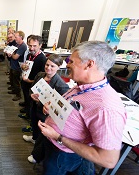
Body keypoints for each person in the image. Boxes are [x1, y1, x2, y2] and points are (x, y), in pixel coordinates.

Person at [38, 41, 127, 175]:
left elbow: (108, 160)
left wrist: (58, 137)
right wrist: (53, 108)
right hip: (53, 144)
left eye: (71, 61)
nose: (67, 64)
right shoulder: (83, 85)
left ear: (89, 64)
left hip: (64, 153)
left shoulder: (106, 107)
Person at [23, 54, 69, 163]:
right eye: (47, 65)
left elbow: (60, 107)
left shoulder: (61, 85)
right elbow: (32, 89)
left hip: (46, 114)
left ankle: (36, 156)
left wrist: (49, 105)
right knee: (34, 124)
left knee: (43, 135)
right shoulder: (40, 75)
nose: (48, 68)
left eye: (52, 66)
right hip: (35, 107)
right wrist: (31, 95)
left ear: (59, 67)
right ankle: (33, 138)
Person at [18, 35, 47, 120]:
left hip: (34, 86)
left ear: (40, 45)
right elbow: (28, 67)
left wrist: (30, 81)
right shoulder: (29, 55)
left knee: (32, 104)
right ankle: (27, 112)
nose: (31, 48)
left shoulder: (42, 59)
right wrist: (23, 67)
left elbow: (43, 78)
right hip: (26, 83)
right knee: (27, 99)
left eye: (34, 46)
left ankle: (29, 117)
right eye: (30, 45)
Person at [7, 31, 27, 101]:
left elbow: (15, 57)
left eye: (16, 37)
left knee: (16, 81)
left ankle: (18, 95)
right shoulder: (17, 44)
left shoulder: (22, 46)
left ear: (21, 37)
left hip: (17, 67)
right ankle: (14, 90)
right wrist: (11, 53)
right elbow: (13, 53)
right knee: (12, 79)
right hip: (13, 65)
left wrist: (11, 54)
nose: (14, 38)